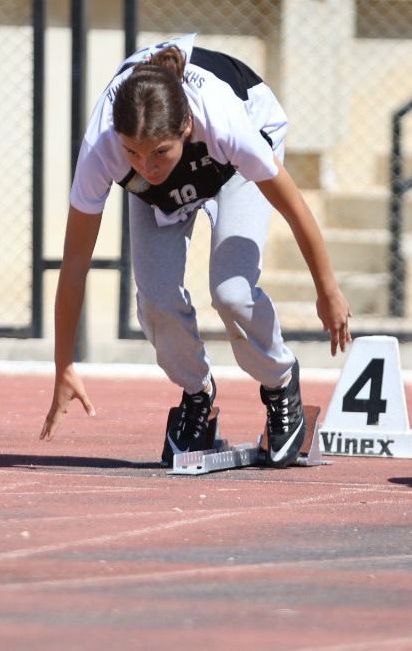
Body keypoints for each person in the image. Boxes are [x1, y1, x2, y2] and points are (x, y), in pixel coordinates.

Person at [39, 34, 352, 467]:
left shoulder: (227, 122)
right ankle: (197, 394)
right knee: (156, 297)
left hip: (231, 167)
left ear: (185, 127)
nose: (146, 165)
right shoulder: (104, 146)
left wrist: (327, 287)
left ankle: (280, 382)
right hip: (164, 181)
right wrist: (64, 365)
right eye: (133, 152)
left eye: (158, 153)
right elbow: (75, 264)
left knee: (232, 291)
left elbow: (293, 206)